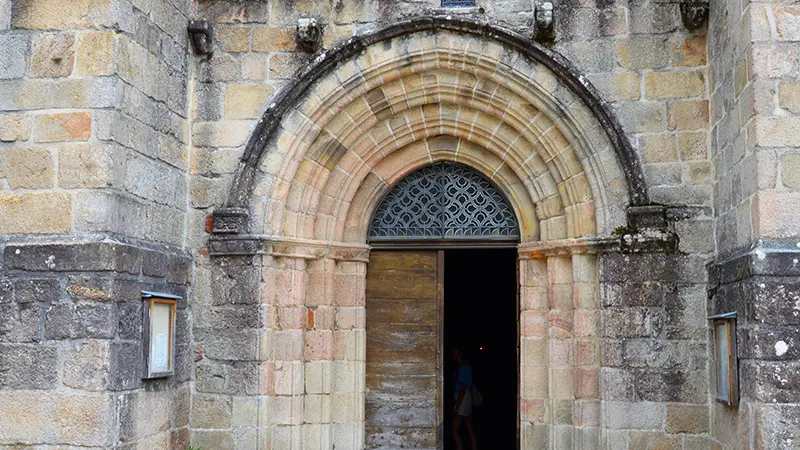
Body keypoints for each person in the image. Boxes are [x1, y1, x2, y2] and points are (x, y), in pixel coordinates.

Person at [452, 347, 478, 450]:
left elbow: (463, 388)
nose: (452, 355)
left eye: (454, 352)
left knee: (454, 430)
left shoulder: (462, 367)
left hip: (463, 398)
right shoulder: (467, 366)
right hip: (467, 398)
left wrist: (458, 407)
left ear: (459, 353)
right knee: (469, 428)